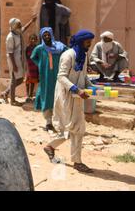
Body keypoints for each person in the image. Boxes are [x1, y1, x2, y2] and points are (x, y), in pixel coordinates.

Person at [43, 30, 96, 174]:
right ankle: (71, 158)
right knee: (71, 128)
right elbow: (61, 77)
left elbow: (83, 76)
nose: (89, 44)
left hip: (77, 97)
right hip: (66, 96)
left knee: (76, 129)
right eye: (87, 42)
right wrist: (75, 89)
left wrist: (92, 87)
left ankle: (58, 151)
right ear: (80, 42)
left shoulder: (83, 56)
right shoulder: (68, 55)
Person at [31, 27, 68, 132]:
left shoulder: (60, 47)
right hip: (46, 77)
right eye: (44, 35)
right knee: (46, 96)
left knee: (59, 96)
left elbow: (69, 53)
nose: (47, 37)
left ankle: (60, 121)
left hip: (58, 76)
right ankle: (48, 122)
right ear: (42, 36)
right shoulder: (39, 48)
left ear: (51, 35)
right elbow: (33, 57)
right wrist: (40, 65)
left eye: (48, 35)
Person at [1, 16, 37, 106]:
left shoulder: (18, 32)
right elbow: (10, 53)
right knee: (14, 79)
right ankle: (12, 100)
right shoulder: (10, 37)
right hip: (13, 60)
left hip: (19, 59)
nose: (20, 25)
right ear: (13, 26)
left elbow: (24, 28)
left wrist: (31, 21)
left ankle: (6, 92)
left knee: (20, 79)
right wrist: (14, 65)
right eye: (18, 24)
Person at [25, 34, 39, 103]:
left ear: (36, 40)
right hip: (29, 66)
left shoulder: (37, 48)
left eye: (34, 39)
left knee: (33, 81)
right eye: (31, 39)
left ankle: (30, 95)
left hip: (35, 66)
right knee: (27, 81)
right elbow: (26, 56)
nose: (33, 40)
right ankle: (27, 95)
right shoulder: (27, 47)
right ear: (29, 40)